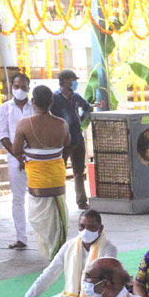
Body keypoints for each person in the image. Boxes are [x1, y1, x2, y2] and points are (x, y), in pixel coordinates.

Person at [17, 209, 116, 297]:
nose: (86, 231)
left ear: (101, 229)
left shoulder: (109, 249)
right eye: (82, 226)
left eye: (91, 227)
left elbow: (107, 283)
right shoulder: (69, 246)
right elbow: (49, 274)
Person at [12, 85, 70, 262]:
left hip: (38, 182)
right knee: (57, 219)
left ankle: (52, 255)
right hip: (57, 178)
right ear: (51, 102)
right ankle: (58, 253)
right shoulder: (62, 123)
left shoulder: (24, 124)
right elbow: (67, 143)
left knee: (41, 220)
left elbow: (16, 150)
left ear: (32, 102)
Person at [0, 72, 32, 249]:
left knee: (38, 198)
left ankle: (43, 236)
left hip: (35, 158)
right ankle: (21, 238)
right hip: (14, 159)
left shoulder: (35, 107)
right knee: (18, 199)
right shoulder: (5, 108)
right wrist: (17, 154)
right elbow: (3, 134)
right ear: (12, 88)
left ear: (28, 88)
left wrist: (28, 154)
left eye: (23, 87)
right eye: (17, 87)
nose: (20, 90)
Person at [47, 69, 92, 209]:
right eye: (73, 80)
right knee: (60, 171)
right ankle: (61, 201)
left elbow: (87, 107)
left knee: (79, 171)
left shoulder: (76, 96)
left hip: (77, 138)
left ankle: (81, 201)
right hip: (62, 140)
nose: (75, 83)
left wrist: (81, 119)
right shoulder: (55, 98)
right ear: (65, 81)